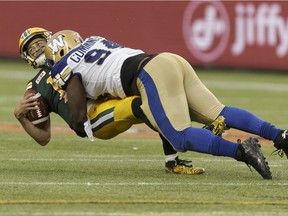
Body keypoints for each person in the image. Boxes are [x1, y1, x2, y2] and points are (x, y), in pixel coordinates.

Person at [45, 30, 288, 180]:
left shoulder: (65, 66)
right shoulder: (95, 40)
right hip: (168, 60)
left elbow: (78, 116)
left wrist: (66, 92)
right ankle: (280, 135)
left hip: (149, 74)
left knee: (179, 137)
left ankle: (243, 152)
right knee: (218, 112)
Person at [14, 27, 208, 175]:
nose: (38, 48)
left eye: (39, 43)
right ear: (27, 58)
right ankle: (175, 155)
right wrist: (21, 117)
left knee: (155, 97)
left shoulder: (69, 55)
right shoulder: (35, 89)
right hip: (91, 117)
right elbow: (43, 138)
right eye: (32, 48)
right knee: (139, 106)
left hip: (110, 97)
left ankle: (203, 126)